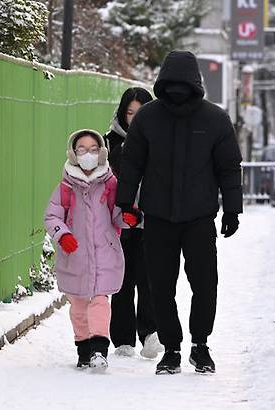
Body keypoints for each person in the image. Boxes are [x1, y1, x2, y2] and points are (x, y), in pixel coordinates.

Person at [116, 50, 243, 375]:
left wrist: (232, 208)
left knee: (205, 283)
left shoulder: (214, 119)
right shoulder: (148, 118)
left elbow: (229, 167)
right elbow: (132, 162)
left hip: (199, 217)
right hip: (157, 216)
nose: (177, 90)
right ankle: (171, 348)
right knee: (160, 285)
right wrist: (126, 202)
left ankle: (200, 345)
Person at [44, 129, 126, 372]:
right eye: (82, 150)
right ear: (73, 153)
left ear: (100, 153)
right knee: (79, 305)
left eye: (93, 150)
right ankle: (83, 348)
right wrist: (63, 234)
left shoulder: (111, 184)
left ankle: (100, 349)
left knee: (101, 300)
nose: (87, 155)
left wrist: (129, 215)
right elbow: (52, 216)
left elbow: (118, 215)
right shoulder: (65, 187)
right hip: (75, 255)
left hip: (104, 252)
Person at [104, 87, 164, 359]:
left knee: (149, 278)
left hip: (151, 221)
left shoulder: (161, 139)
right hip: (119, 223)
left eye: (140, 112)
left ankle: (150, 334)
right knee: (122, 281)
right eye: (130, 113)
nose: (135, 118)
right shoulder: (110, 143)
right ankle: (122, 339)